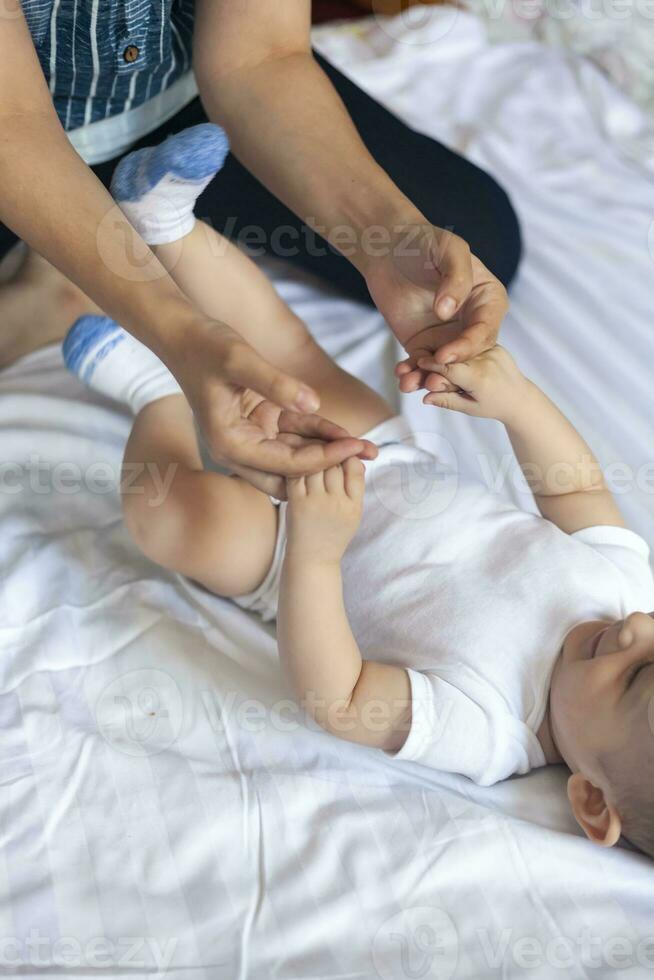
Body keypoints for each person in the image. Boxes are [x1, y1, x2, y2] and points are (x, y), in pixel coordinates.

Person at [63, 127, 654, 857]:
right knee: (289, 350)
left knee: (175, 518)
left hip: (288, 553)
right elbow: (576, 491)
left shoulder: (491, 728)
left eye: (633, 679)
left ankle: (155, 400)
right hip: (383, 461)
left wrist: (315, 551)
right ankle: (166, 226)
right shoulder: (625, 588)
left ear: (592, 801)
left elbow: (337, 701)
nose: (635, 631)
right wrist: (517, 402)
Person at [0, 0, 520, 491]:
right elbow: (12, 122)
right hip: (13, 136)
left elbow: (259, 56)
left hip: (188, 101)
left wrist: (390, 239)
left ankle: (126, 234)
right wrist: (178, 337)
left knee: (474, 245)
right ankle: (109, 241)